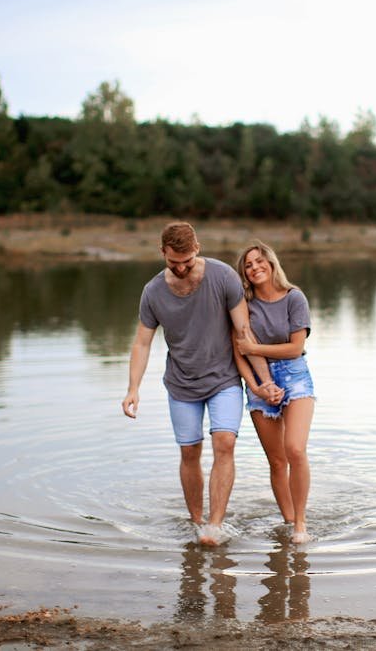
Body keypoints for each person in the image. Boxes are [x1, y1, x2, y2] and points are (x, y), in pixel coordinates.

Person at [122, 222, 282, 547]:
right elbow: (142, 343)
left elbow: (244, 334)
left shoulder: (223, 277)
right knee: (189, 451)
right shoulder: (153, 292)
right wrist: (133, 388)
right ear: (162, 253)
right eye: (173, 262)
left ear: (197, 249)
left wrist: (263, 382)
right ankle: (196, 522)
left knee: (225, 443)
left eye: (186, 261)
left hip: (223, 378)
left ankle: (215, 526)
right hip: (181, 384)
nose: (180, 268)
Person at [233, 241, 316, 544]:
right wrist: (256, 386)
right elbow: (237, 352)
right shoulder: (243, 305)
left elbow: (296, 347)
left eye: (259, 261)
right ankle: (289, 520)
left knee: (295, 449)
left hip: (295, 375)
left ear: (271, 263)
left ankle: (301, 525)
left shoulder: (294, 298)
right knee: (277, 461)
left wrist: (255, 347)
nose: (254, 268)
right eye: (248, 265)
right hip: (258, 381)